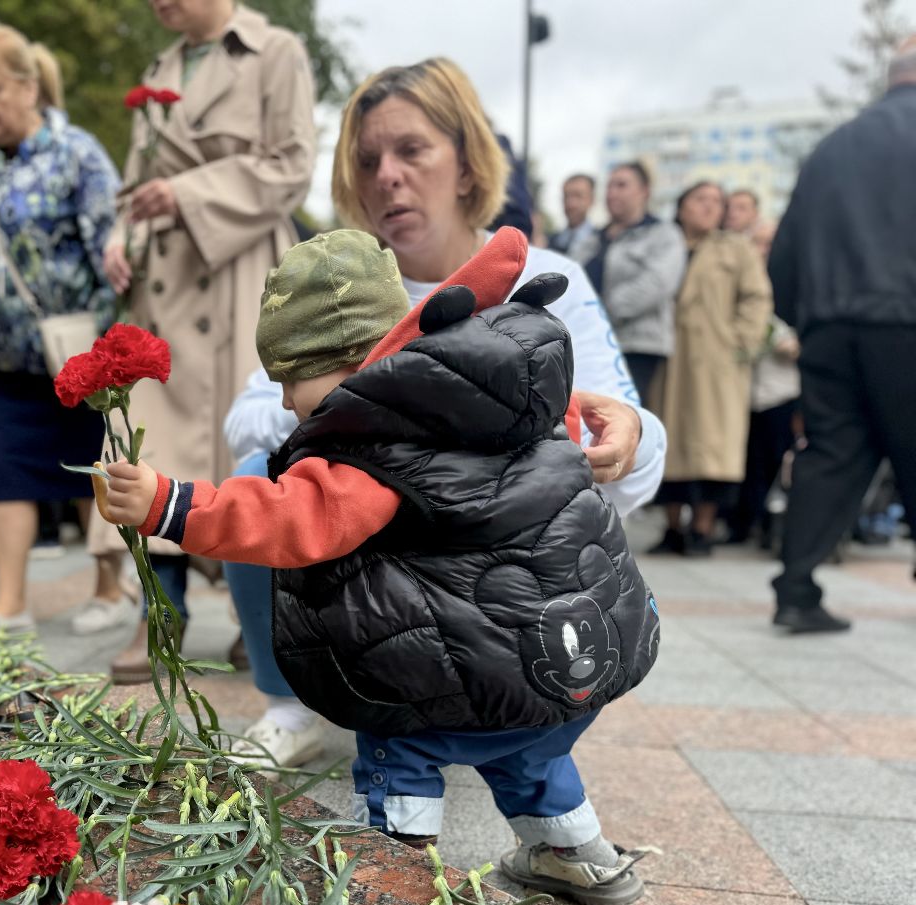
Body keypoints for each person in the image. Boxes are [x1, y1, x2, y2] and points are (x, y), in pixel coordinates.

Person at [100, 228, 661, 905]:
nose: (285, 404)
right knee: (530, 752)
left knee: (400, 741)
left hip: (463, 667)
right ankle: (576, 856)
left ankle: (395, 878)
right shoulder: (509, 398)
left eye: (289, 380)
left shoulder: (379, 444)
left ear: (349, 363)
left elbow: (291, 517)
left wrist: (169, 503)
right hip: (569, 656)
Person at [220, 57, 666, 768]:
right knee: (257, 473)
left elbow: (628, 437)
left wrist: (633, 435)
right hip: (371, 536)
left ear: (466, 163)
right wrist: (355, 407)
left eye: (411, 150)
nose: (386, 176)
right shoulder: (340, 289)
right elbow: (247, 419)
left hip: (500, 550)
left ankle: (515, 699)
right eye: (367, 160)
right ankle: (289, 706)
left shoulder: (548, 278)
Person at [96, 0, 317, 681]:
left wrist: (187, 194)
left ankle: (260, 614)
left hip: (239, 274)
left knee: (246, 441)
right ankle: (160, 611)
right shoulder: (158, 69)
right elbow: (134, 185)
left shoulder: (275, 52)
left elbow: (293, 165)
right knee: (146, 441)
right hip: (162, 285)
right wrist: (119, 238)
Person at [0, 24, 128, 637]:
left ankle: (109, 590)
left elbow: (112, 254)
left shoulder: (77, 154)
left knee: (91, 470)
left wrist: (106, 343)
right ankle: (10, 604)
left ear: (28, 87)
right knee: (7, 475)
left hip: (75, 353)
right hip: (1, 360)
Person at [769, 37, 916, 632]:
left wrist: (807, 319)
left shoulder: (831, 148)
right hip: (905, 322)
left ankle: (796, 591)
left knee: (830, 453)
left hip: (829, 327)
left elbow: (784, 252)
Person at [649, 181, 772, 557]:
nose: (709, 207)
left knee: (713, 446)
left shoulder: (736, 248)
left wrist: (740, 341)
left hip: (718, 363)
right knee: (668, 441)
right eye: (700, 199)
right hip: (670, 359)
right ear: (681, 206)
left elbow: (757, 298)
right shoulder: (664, 244)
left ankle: (702, 529)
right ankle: (672, 528)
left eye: (717, 201)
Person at [582, 162, 686, 406]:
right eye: (609, 186)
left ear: (644, 191)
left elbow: (657, 283)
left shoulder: (663, 234)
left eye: (621, 185)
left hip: (637, 346)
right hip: (589, 344)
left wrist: (599, 313)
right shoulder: (593, 239)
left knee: (623, 415)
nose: (612, 193)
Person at [728, 219, 800, 548]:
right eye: (757, 242)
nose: (763, 250)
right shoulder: (736, 282)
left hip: (780, 391)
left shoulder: (792, 282)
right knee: (745, 463)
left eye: (770, 242)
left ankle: (771, 528)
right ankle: (740, 524)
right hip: (739, 390)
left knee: (774, 462)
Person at [548, 173, 597, 261]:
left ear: (591, 200)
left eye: (578, 196)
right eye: (566, 196)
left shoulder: (602, 243)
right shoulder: (550, 243)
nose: (571, 204)